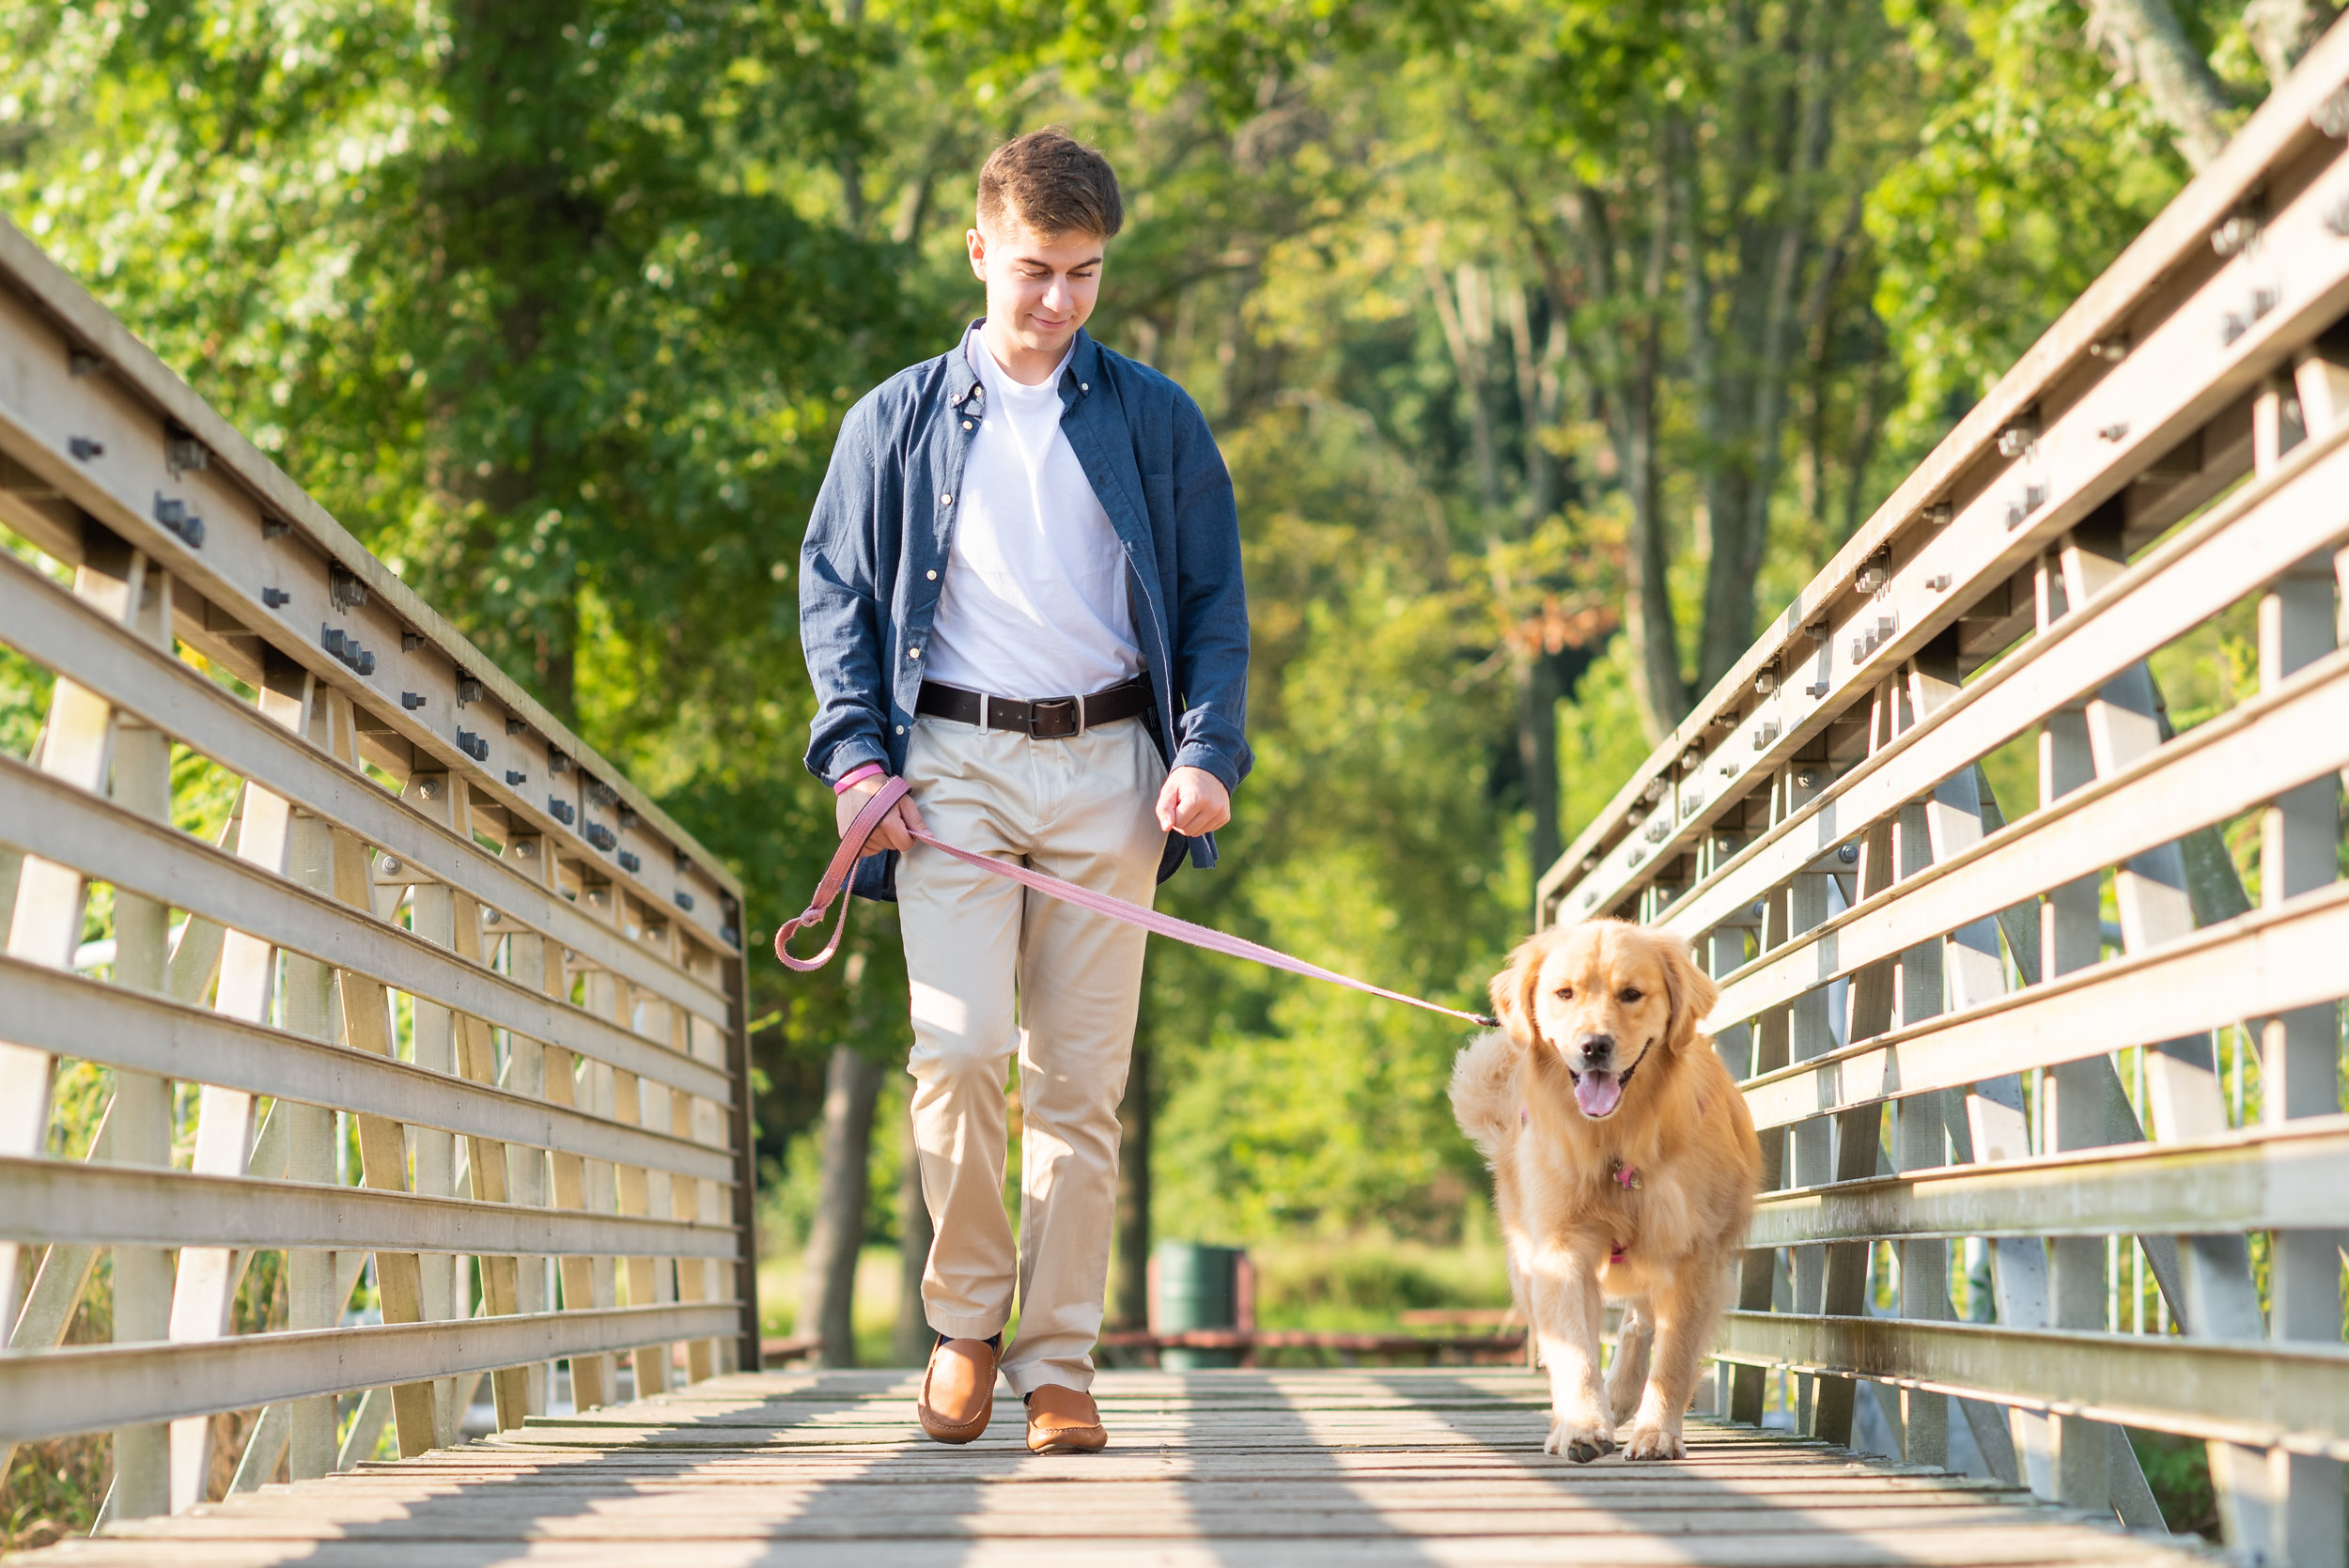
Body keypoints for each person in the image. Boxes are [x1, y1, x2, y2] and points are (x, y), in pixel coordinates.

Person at [798, 129, 1251, 1454]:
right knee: (954, 1051)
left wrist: (1207, 753)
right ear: (981, 250)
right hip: (950, 771)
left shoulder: (1156, 418)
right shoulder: (891, 420)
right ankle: (964, 1326)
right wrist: (858, 760)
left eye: (1087, 274)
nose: (1058, 299)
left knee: (1077, 1086)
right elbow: (835, 596)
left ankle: (1059, 1362)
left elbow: (1216, 604)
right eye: (1038, 270)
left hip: (1114, 771)